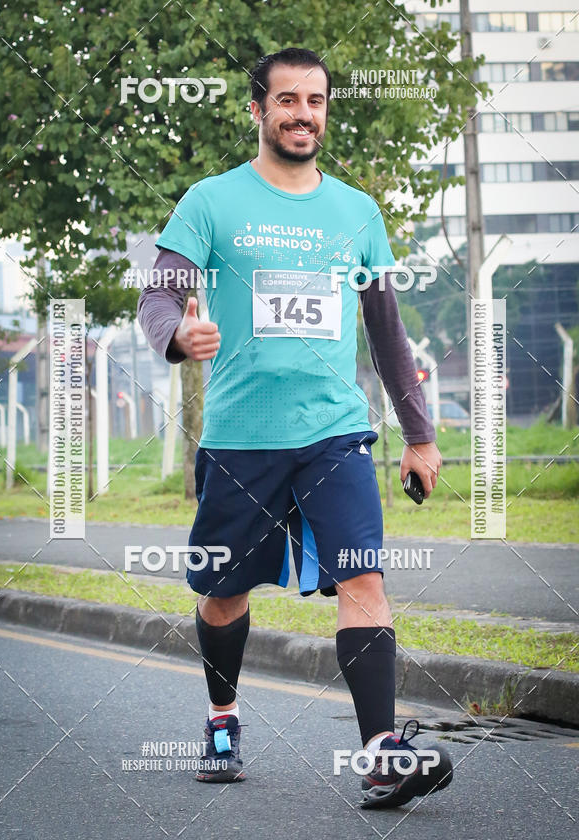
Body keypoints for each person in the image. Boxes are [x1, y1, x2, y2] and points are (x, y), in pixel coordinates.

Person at [137, 47, 452, 809]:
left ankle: (381, 753)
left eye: (315, 101)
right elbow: (158, 297)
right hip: (241, 438)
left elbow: (387, 332)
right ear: (258, 110)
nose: (303, 113)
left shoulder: (356, 212)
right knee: (222, 590)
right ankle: (220, 719)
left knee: (363, 573)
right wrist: (176, 337)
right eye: (287, 101)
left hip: (334, 433)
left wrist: (418, 432)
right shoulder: (211, 202)